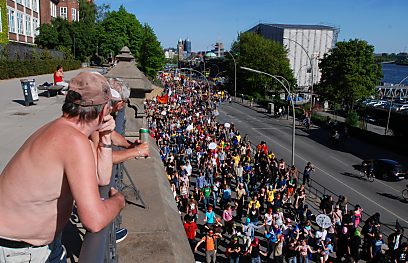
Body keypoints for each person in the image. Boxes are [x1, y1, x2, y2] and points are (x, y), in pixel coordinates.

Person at [0, 71, 126, 262]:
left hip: (31, 246)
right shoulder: (73, 141)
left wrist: (106, 136)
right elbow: (94, 220)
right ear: (102, 111)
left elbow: (102, 177)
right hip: (19, 251)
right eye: (109, 108)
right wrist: (119, 201)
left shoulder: (64, 130)